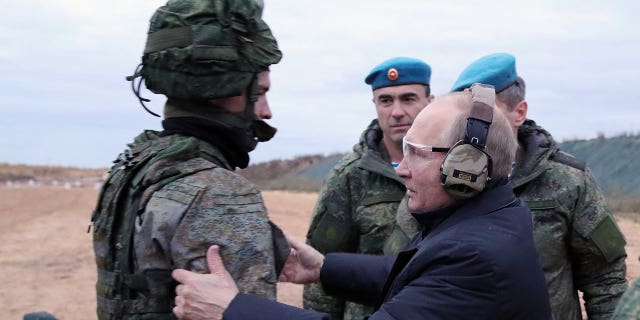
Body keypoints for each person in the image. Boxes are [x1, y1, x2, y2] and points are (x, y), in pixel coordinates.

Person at [171, 84, 553, 320]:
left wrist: (232, 310)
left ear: (466, 168)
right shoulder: (485, 218)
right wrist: (323, 267)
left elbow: (445, 275)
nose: (401, 168)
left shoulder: (475, 256)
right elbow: (416, 273)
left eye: (417, 154)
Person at [387, 52, 629, 320]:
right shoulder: (431, 193)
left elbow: (606, 282)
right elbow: (399, 273)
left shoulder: (568, 182)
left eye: (485, 114)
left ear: (519, 112)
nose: (474, 128)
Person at [89, 0, 289, 319]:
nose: (266, 111)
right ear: (224, 90)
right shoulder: (220, 193)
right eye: (260, 92)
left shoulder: (135, 165)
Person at [304, 56, 433, 319]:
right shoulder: (350, 176)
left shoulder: (449, 169)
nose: (396, 111)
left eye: (408, 98)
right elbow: (321, 265)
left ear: (429, 102)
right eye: (386, 100)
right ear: (375, 105)